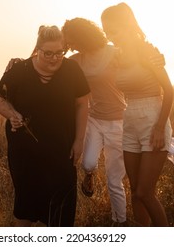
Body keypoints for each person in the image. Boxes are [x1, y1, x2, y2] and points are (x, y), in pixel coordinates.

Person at [0, 25, 90, 227]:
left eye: (59, 53)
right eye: (48, 53)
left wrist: (79, 140)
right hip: (25, 153)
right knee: (26, 206)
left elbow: (82, 104)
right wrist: (13, 114)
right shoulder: (19, 70)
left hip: (62, 149)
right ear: (37, 50)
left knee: (61, 207)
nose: (54, 58)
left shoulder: (72, 70)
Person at [100, 2, 174, 226]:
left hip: (153, 120)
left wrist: (160, 127)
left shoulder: (147, 50)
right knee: (134, 191)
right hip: (129, 122)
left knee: (145, 192)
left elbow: (169, 90)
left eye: (113, 31)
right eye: (106, 32)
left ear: (127, 25)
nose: (109, 37)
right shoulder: (117, 55)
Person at [61, 18, 127, 225]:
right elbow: (47, 59)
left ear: (83, 36)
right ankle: (89, 175)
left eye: (72, 41)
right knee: (88, 163)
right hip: (94, 120)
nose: (71, 46)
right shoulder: (75, 60)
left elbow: (138, 64)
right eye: (68, 43)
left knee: (114, 180)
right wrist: (19, 61)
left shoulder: (114, 52)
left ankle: (120, 222)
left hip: (119, 121)